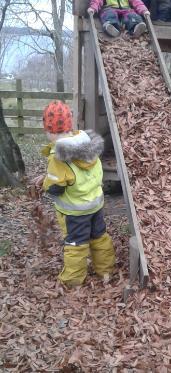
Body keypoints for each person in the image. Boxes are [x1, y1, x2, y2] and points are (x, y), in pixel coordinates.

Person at [41, 101, 115, 287]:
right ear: (69, 125)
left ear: (50, 130)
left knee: (76, 244)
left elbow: (55, 187)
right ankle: (106, 271)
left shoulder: (59, 157)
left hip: (75, 213)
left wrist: (45, 182)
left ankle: (73, 281)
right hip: (95, 205)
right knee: (99, 237)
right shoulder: (88, 145)